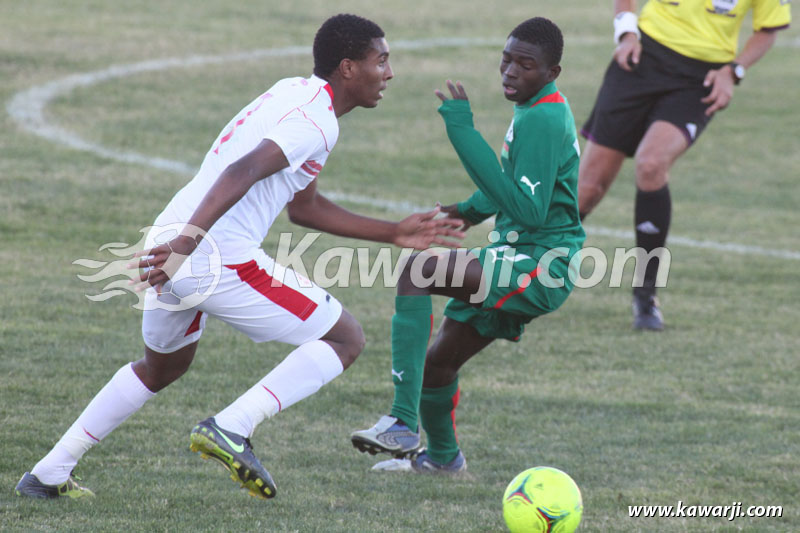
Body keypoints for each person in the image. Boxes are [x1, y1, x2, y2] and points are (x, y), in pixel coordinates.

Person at [14, 13, 465, 500]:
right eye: (382, 60)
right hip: (207, 251)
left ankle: (48, 473)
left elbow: (304, 207)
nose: (389, 73)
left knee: (161, 367)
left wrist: (393, 232)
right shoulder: (315, 121)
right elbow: (243, 169)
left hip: (169, 239)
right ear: (348, 67)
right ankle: (232, 427)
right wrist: (189, 243)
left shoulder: (295, 94)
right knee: (345, 339)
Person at [351, 17, 584, 473]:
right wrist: (468, 210)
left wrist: (463, 133)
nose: (511, 71)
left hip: (539, 265)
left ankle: (401, 421)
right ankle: (442, 459)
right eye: (507, 60)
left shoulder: (543, 117)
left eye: (526, 64)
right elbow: (515, 186)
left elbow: (531, 211)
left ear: (551, 73)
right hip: (512, 256)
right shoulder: (539, 109)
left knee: (420, 271)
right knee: (438, 364)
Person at [578, 0, 791, 330]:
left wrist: (733, 72)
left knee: (651, 164)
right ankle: (530, 270)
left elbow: (768, 29)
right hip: (642, 60)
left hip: (701, 79)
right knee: (586, 191)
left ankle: (646, 295)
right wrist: (626, 33)